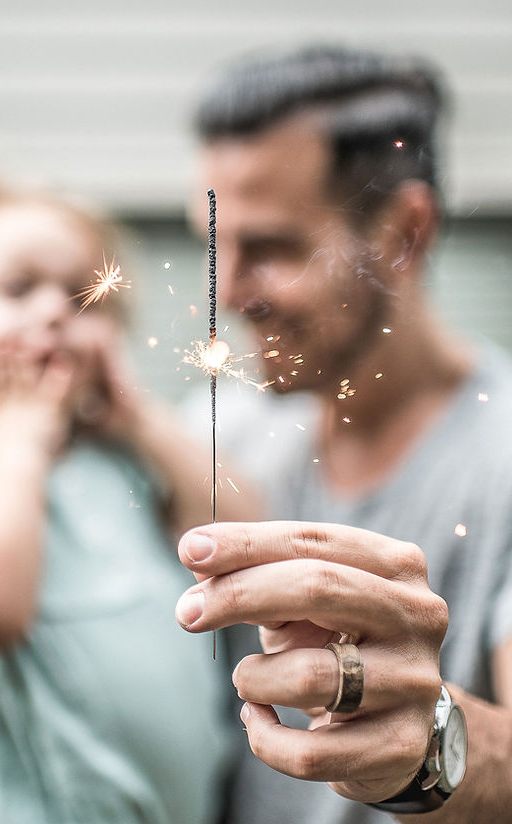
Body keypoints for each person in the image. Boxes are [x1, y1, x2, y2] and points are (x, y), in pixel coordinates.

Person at [176, 45, 512, 822]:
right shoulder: (224, 429)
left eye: (270, 248)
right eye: (213, 242)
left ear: (402, 234)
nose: (224, 294)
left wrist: (432, 743)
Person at [0, 170, 252, 824]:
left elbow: (248, 536)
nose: (57, 311)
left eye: (86, 299)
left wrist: (140, 418)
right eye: (17, 288)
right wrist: (19, 447)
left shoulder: (124, 463)